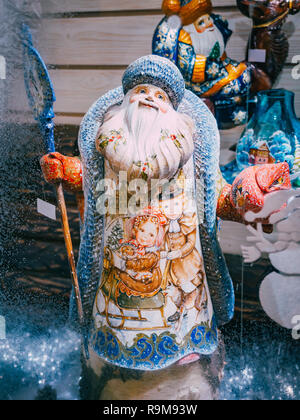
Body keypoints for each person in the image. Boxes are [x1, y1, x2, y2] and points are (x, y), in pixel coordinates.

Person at [40, 55, 291, 399]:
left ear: (174, 110)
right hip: (117, 290)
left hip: (181, 294)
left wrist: (245, 197)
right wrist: (65, 169)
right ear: (124, 100)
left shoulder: (190, 154)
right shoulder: (111, 141)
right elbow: (89, 178)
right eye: (140, 90)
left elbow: (217, 198)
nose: (148, 99)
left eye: (159, 96)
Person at [153, 0, 251, 128]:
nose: (209, 24)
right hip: (198, 84)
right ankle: (226, 109)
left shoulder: (210, 32)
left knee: (246, 75)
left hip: (219, 72)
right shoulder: (185, 38)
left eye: (208, 19)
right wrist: (210, 66)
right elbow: (188, 67)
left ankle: (235, 106)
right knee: (236, 85)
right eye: (202, 23)